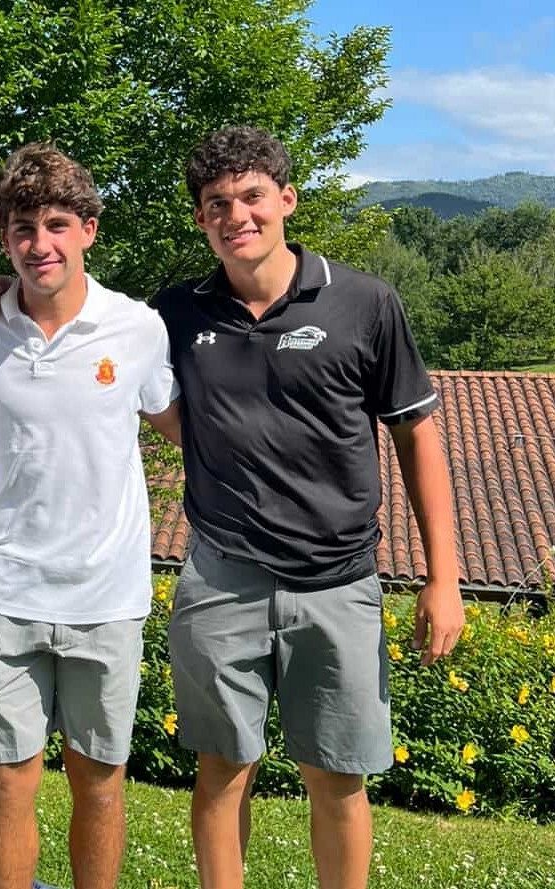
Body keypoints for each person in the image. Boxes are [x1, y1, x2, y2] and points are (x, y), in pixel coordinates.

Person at [154, 126, 463, 889]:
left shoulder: (365, 303)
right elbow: (77, 319)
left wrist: (444, 576)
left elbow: (418, 438)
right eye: (217, 204)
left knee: (338, 776)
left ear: (286, 199)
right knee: (222, 769)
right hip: (221, 578)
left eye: (253, 196)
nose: (237, 216)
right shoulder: (174, 313)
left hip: (339, 583)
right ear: (201, 219)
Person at [0, 143, 180, 889]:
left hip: (107, 598)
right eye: (22, 227)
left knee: (100, 781)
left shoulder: (139, 329)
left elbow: (187, 424)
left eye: (58, 223)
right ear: (4, 238)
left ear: (89, 228)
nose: (39, 243)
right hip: (7, 594)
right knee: (6, 781)